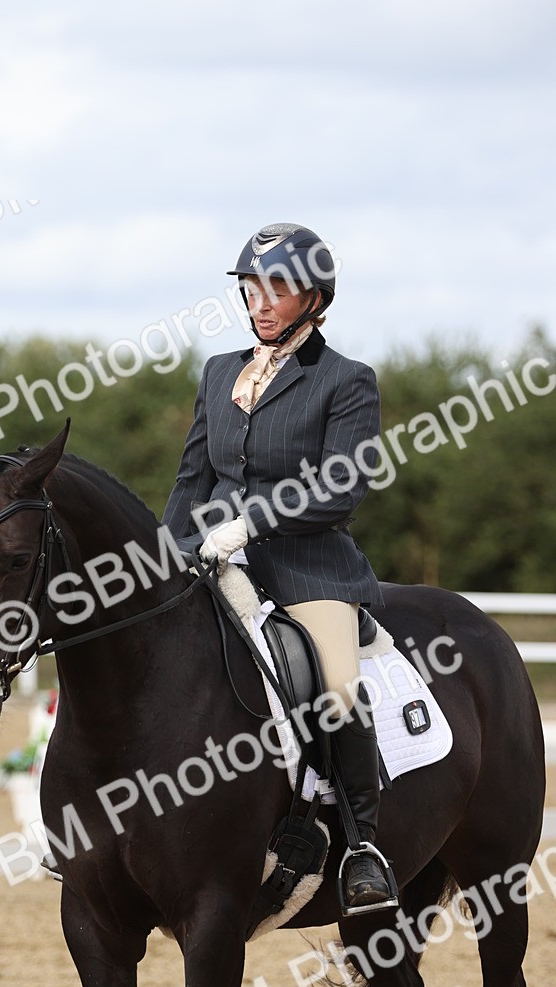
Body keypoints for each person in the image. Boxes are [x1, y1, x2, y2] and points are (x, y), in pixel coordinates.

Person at [162, 222, 395, 914]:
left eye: (277, 290)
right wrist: (163, 551)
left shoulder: (345, 381)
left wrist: (249, 523)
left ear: (314, 298)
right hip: (215, 562)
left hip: (307, 571)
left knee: (336, 688)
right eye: (251, 289)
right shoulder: (220, 373)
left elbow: (340, 489)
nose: (260, 303)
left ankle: (362, 848)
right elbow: (193, 479)